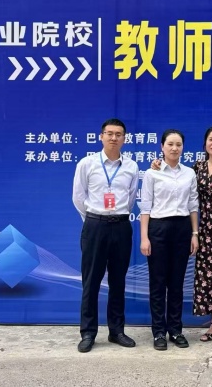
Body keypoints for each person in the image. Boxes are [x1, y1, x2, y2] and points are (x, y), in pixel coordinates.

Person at [150, 125, 212, 349]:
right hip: (206, 231)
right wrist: (157, 165)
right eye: (211, 139)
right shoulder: (196, 168)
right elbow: (179, 184)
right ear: (205, 143)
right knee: (211, 277)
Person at [72, 118, 139, 353]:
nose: (113, 138)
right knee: (91, 281)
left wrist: (115, 216)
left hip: (121, 226)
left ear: (124, 139)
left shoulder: (131, 167)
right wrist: (94, 219)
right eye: (109, 133)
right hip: (95, 226)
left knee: (118, 281)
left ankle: (116, 331)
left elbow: (131, 199)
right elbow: (78, 197)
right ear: (101, 136)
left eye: (118, 134)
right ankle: (88, 332)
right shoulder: (87, 164)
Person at [139, 129, 200, 351]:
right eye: (170, 144)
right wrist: (144, 237)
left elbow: (193, 204)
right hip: (158, 228)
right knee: (157, 283)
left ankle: (175, 330)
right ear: (162, 147)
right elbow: (146, 207)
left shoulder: (189, 173)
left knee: (176, 283)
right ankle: (158, 332)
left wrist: (195, 234)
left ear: (183, 147)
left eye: (178, 144)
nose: (175, 148)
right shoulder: (151, 173)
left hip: (182, 228)